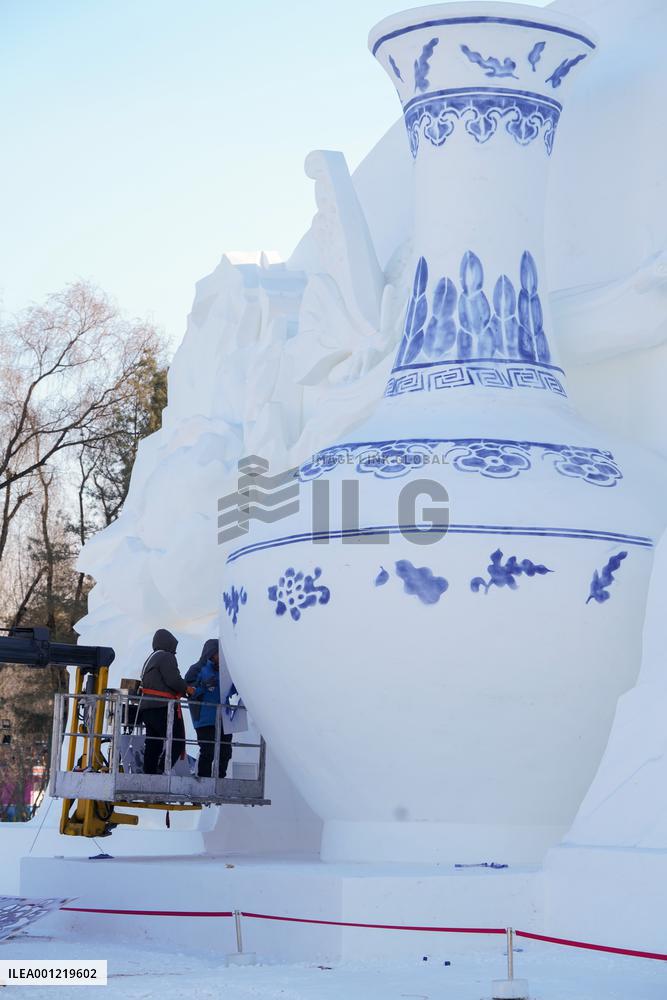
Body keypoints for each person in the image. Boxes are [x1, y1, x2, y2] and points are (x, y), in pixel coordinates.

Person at [140, 628, 194, 775]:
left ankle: (149, 773)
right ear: (169, 644)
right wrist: (187, 689)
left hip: (147, 708)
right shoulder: (166, 657)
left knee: (153, 742)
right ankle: (161, 770)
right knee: (177, 741)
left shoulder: (151, 658)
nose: (174, 652)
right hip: (162, 707)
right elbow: (173, 680)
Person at [186, 638, 233, 778]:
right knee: (208, 751)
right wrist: (204, 686)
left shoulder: (225, 670)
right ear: (211, 653)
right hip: (203, 718)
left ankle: (220, 779)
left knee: (226, 751)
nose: (221, 656)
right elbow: (187, 691)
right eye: (219, 653)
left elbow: (230, 689)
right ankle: (204, 780)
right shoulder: (196, 669)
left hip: (223, 717)